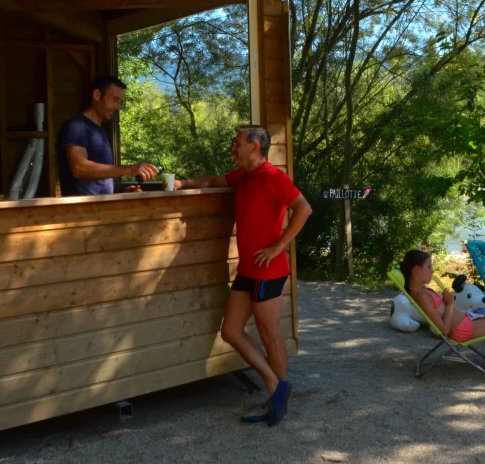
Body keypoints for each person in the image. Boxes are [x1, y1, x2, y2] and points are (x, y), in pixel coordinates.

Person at [177, 125, 313, 424]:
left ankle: (277, 401)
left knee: (269, 335)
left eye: (237, 143)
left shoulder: (274, 177)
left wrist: (278, 247)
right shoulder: (243, 176)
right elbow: (212, 180)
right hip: (248, 270)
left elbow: (303, 209)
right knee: (231, 331)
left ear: (254, 146)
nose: (232, 149)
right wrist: (180, 184)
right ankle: (277, 387)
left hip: (269, 271)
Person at [57, 75, 157, 196]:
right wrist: (130, 169)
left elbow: (99, 180)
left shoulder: (101, 132)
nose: (118, 108)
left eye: (120, 102)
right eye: (115, 100)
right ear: (97, 95)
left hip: (101, 210)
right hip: (80, 212)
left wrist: (121, 191)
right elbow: (79, 168)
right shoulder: (76, 126)